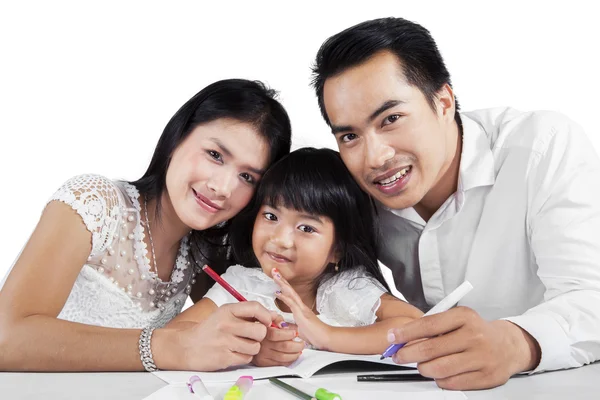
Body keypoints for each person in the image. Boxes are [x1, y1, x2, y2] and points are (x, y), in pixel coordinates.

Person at [310, 17, 600, 389]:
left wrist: (516, 343)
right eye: (350, 135)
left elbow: (592, 297)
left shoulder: (541, 146)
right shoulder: (354, 195)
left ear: (443, 101)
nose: (375, 158)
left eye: (391, 118)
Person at [0, 79, 292, 372]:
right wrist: (165, 346)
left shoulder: (203, 250)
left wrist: (252, 344)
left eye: (248, 178)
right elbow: (6, 338)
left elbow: (212, 336)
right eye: (215, 155)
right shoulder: (94, 204)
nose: (223, 188)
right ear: (176, 138)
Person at [167, 147, 423, 366]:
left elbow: (414, 325)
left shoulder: (346, 287)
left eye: (307, 228)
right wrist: (251, 351)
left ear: (338, 249)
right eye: (271, 216)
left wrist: (326, 336)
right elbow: (173, 335)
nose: (280, 239)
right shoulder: (244, 285)